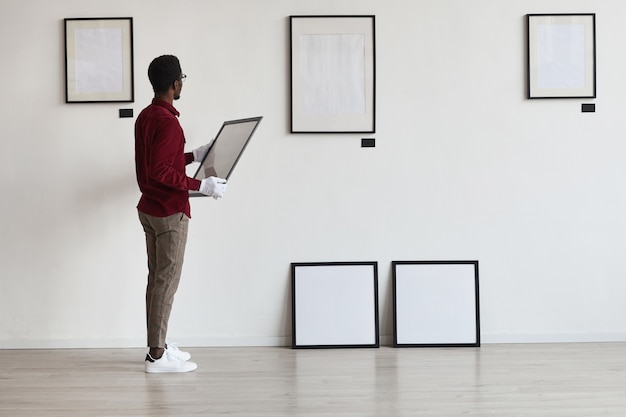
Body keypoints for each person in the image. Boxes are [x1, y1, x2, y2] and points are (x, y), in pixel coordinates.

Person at [135, 55, 227, 373]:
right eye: (181, 79)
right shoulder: (169, 121)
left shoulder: (146, 116)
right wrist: (203, 185)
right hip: (169, 212)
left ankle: (156, 347)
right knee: (167, 282)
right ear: (176, 84)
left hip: (149, 209)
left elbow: (159, 163)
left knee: (156, 280)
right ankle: (157, 357)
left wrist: (193, 155)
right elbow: (162, 171)